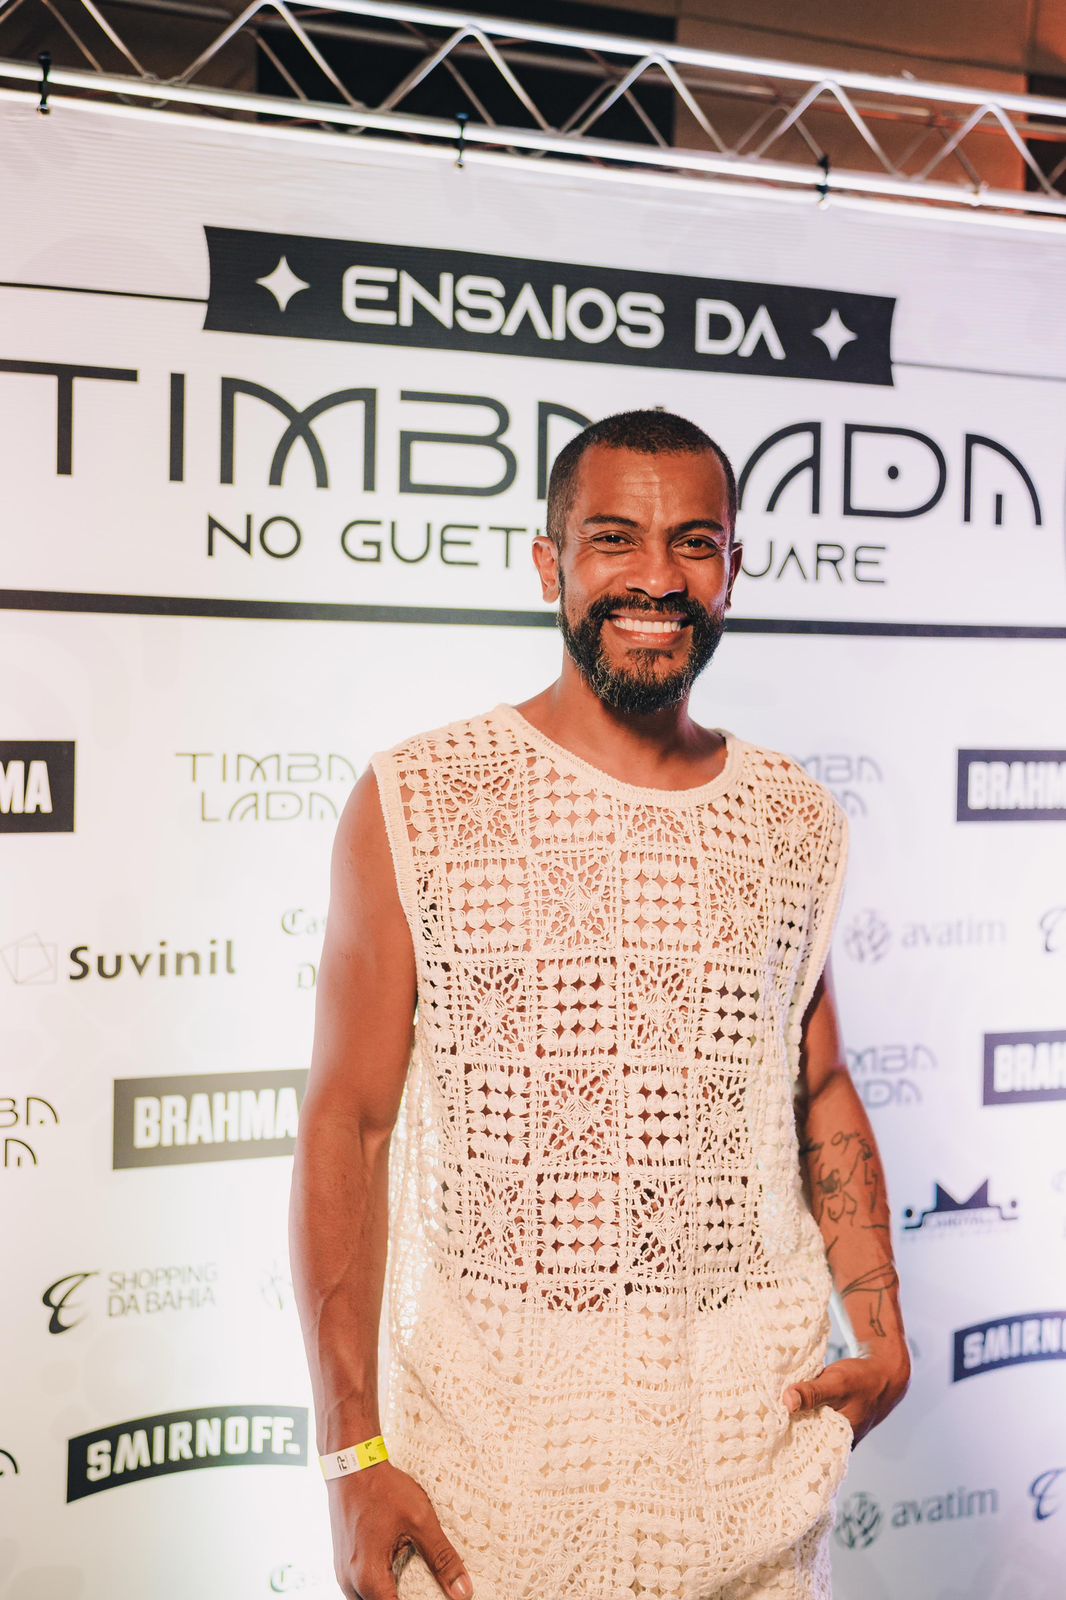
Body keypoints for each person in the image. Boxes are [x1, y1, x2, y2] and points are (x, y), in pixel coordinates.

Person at [289, 409, 910, 1600]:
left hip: (750, 1470)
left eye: (693, 543)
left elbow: (817, 1079)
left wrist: (878, 1319)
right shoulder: (421, 799)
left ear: (732, 566)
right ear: (550, 562)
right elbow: (348, 1127)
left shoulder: (794, 820)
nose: (656, 579)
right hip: (486, 1482)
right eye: (615, 538)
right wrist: (351, 1453)